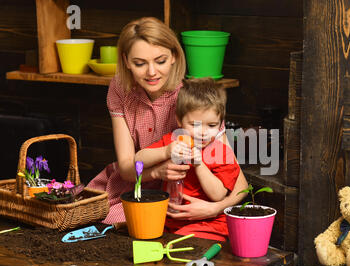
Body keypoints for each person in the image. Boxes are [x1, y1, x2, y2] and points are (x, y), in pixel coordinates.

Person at [87, 17, 248, 227]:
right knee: (91, 219)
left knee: (142, 225)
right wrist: (156, 171)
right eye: (139, 63)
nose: (152, 72)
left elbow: (240, 181)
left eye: (160, 61)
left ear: (173, 56)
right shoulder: (120, 88)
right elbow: (127, 168)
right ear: (126, 61)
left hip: (177, 195)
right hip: (132, 183)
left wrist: (214, 209)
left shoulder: (192, 99)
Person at [135, 78, 240, 241]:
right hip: (169, 220)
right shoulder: (173, 141)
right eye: (195, 124)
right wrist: (166, 151)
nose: (203, 132)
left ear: (220, 124)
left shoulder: (222, 153)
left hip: (208, 224)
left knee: (177, 245)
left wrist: (199, 164)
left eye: (211, 125)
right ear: (179, 120)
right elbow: (138, 160)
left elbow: (218, 195)